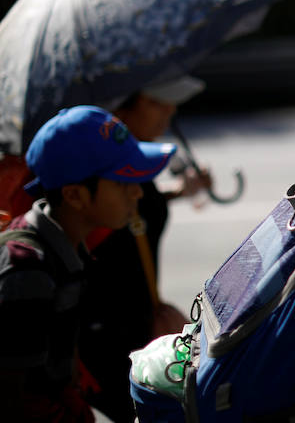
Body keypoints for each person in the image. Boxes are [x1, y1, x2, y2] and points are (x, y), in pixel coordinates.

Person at [0, 106, 175, 422]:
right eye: (123, 183)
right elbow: (14, 402)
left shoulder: (65, 247)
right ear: (75, 196)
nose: (137, 193)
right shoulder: (28, 269)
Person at [78, 76, 211, 422]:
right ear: (122, 106)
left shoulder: (131, 166)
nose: (170, 111)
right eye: (157, 102)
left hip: (136, 322)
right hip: (110, 340)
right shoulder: (100, 165)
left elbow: (139, 206)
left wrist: (177, 191)